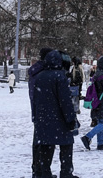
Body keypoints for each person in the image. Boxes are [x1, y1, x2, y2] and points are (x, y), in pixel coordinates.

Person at [33, 50, 78, 178]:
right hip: (60, 119)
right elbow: (65, 101)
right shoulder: (60, 76)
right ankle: (66, 173)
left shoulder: (40, 76)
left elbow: (36, 99)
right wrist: (70, 119)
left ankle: (44, 173)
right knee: (66, 146)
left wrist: (37, 117)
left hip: (43, 119)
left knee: (46, 148)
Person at [29, 48, 54, 178]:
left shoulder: (35, 71)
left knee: (38, 141)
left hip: (37, 110)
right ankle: (42, 171)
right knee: (45, 143)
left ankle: (37, 170)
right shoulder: (44, 72)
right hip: (45, 110)